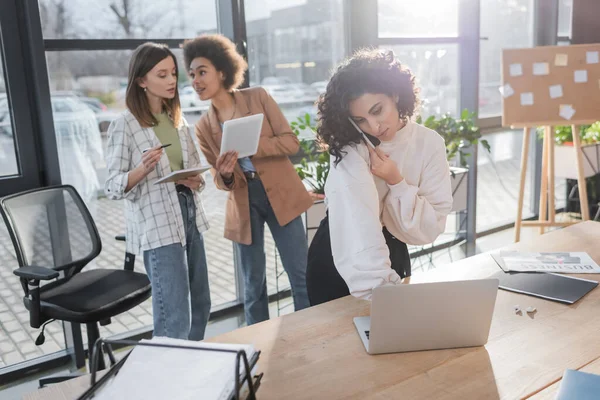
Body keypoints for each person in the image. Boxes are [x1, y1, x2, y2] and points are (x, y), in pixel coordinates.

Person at [182, 34, 313, 325]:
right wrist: (226, 174)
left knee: (300, 274)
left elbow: (291, 143)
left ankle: (310, 334)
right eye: (191, 74)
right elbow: (219, 179)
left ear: (222, 71)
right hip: (243, 202)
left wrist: (253, 147)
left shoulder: (258, 97)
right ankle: (259, 349)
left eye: (202, 72)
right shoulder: (203, 126)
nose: (196, 80)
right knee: (253, 286)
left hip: (280, 193)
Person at [306, 48, 453, 305]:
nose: (374, 127)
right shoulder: (350, 147)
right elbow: (360, 221)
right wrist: (380, 288)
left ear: (395, 94)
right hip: (340, 252)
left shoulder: (430, 143)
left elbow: (430, 226)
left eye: (378, 110)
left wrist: (396, 181)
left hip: (393, 254)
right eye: (360, 120)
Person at [104, 42, 211, 340]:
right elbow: (111, 186)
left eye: (173, 74)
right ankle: (171, 377)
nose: (172, 81)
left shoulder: (178, 120)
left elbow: (195, 173)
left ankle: (195, 366)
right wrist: (141, 170)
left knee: (201, 304)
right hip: (158, 227)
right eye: (162, 74)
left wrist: (195, 181)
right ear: (141, 80)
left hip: (189, 215)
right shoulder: (124, 125)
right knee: (174, 316)